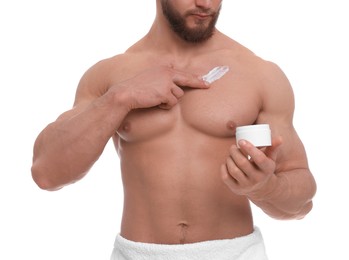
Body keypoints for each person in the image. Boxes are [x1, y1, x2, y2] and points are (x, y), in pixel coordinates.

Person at [31, 0, 317, 259]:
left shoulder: (260, 74)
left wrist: (266, 187)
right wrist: (122, 97)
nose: (205, 3)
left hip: (235, 253)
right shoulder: (111, 74)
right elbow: (47, 172)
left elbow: (302, 203)